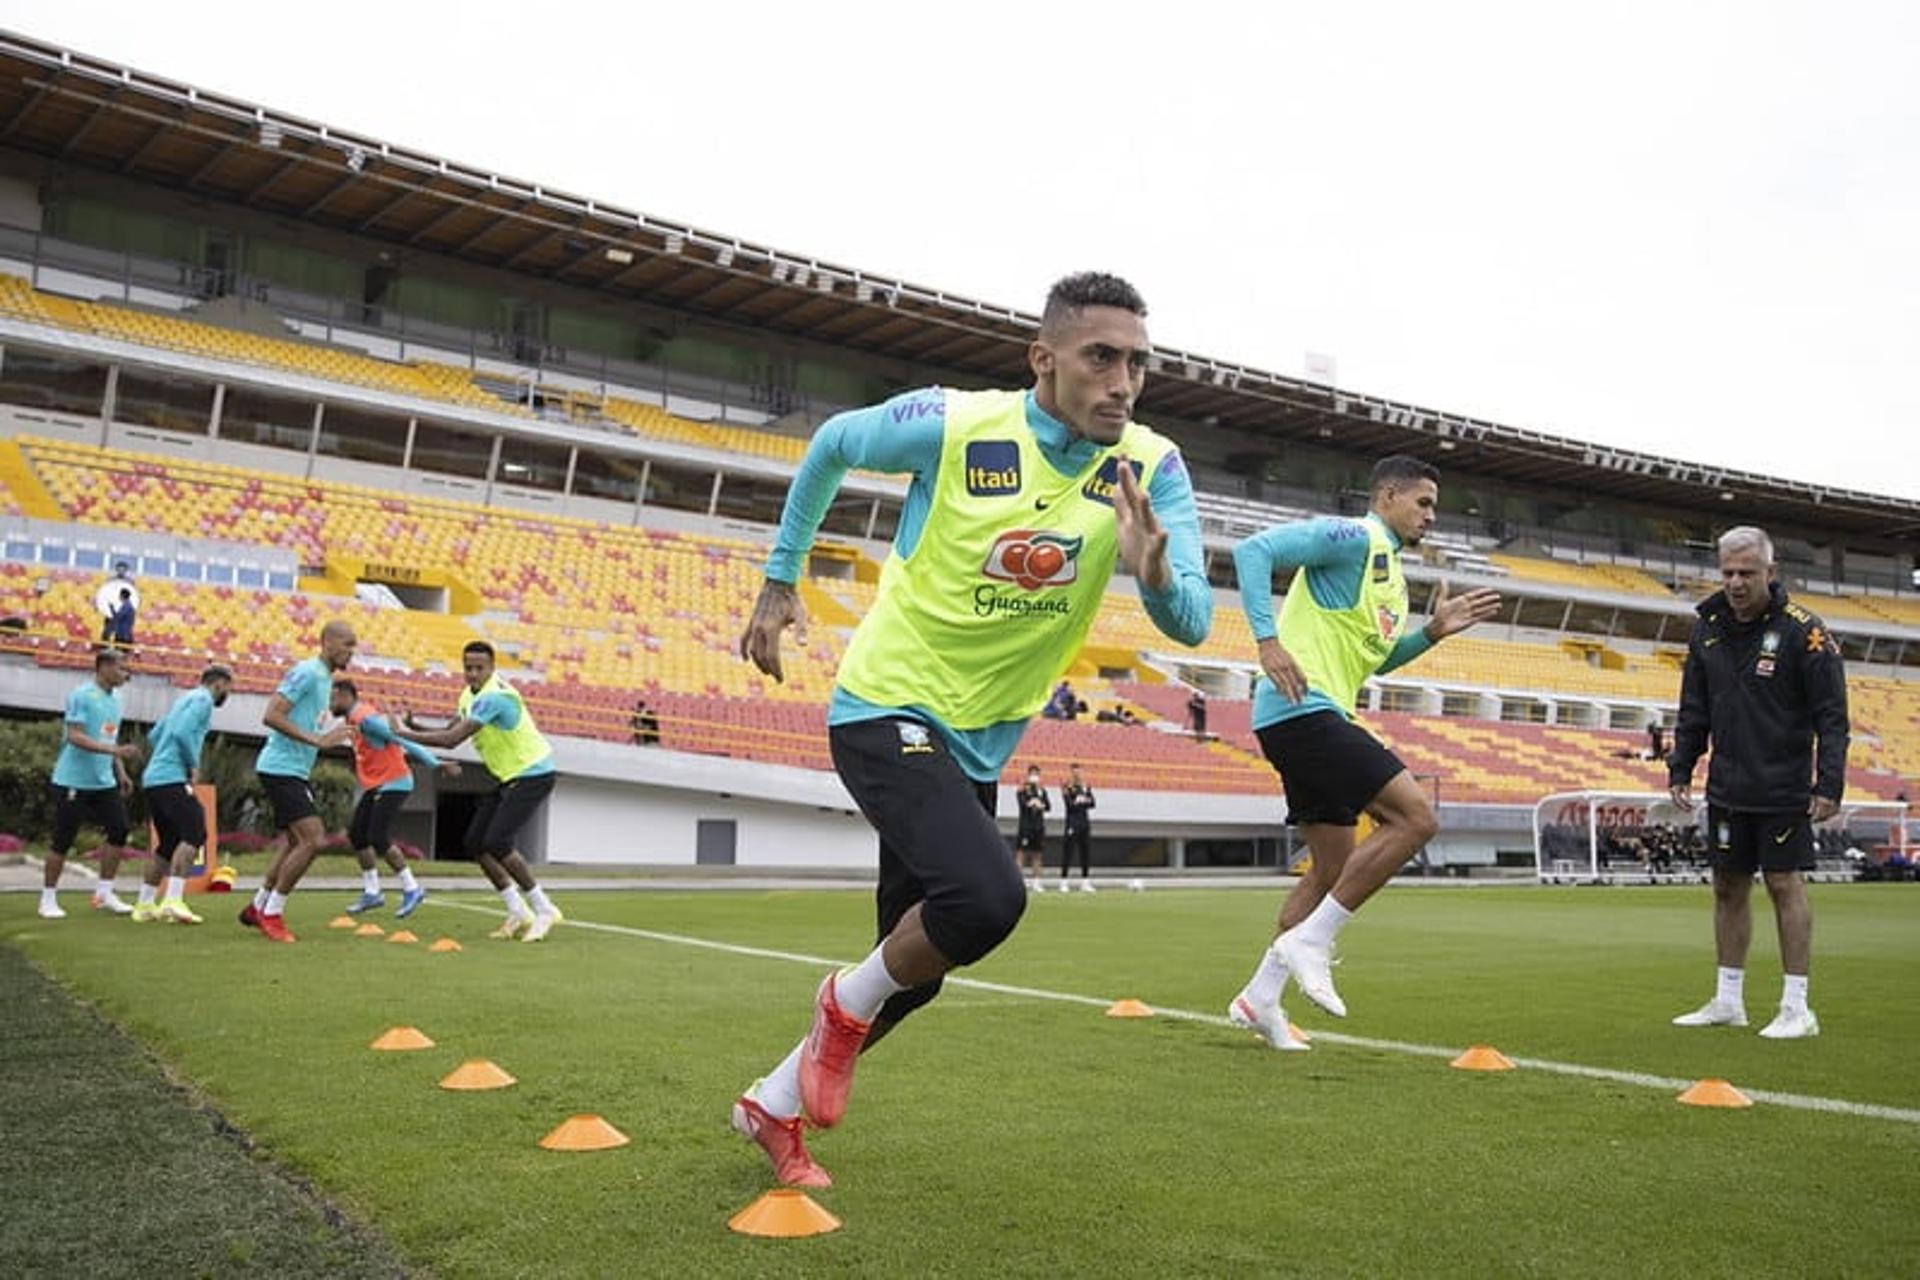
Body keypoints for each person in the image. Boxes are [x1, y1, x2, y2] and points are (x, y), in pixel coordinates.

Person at [730, 271, 1210, 1187]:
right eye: (1100, 358)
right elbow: (832, 443)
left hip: (979, 740)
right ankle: (836, 1008)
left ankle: (769, 1105)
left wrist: (1151, 574)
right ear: (1045, 359)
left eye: (1138, 364)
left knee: (916, 973)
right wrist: (780, 579)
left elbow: (1188, 622)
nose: (1123, 382)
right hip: (887, 704)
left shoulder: (1154, 466)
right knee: (988, 899)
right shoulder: (955, 424)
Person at [1226, 455, 1501, 1047]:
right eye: (1423, 502)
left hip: (1312, 713)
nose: (1431, 515)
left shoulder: (1391, 581)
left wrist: (1430, 634)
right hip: (1303, 710)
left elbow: (1374, 662)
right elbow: (1253, 551)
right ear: (1387, 496)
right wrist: (1268, 643)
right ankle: (1312, 941)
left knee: (1330, 864)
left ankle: (1260, 999)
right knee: (1416, 817)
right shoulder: (1355, 536)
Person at [1667, 526, 1849, 1040]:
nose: (1736, 582)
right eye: (1727, 571)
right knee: (1727, 888)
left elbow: (1832, 717)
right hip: (1727, 786)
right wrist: (1682, 767)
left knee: (1783, 884)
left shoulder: (1805, 632)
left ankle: (1797, 1007)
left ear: (1771, 573)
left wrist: (1828, 785)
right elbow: (1693, 709)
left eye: (1747, 572)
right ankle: (1728, 1000)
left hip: (1785, 785)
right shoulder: (1705, 630)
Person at [397, 642, 564, 942]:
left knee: (497, 841)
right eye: (468, 668)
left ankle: (543, 908)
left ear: (492, 667)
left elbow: (450, 741)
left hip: (533, 774)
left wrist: (403, 734)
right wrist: (415, 725)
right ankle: (517, 910)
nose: (473, 673)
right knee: (476, 842)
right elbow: (452, 729)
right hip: (509, 778)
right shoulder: (468, 696)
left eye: (479, 668)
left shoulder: (496, 697)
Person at [242, 622, 356, 943]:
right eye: (348, 644)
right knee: (314, 841)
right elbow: (272, 715)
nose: (352, 652)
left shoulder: (324, 678)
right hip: (281, 768)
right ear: (328, 642)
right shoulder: (306, 671)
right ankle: (273, 913)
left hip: (293, 770)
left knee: (295, 843)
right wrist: (318, 740)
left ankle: (258, 906)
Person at [331, 679, 453, 919]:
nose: (330, 703)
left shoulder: (366, 719)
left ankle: (412, 888)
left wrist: (434, 763)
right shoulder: (353, 720)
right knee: (357, 835)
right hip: (378, 784)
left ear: (346, 696)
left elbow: (403, 740)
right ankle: (372, 892)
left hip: (394, 782)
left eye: (333, 698)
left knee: (377, 837)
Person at [40, 648, 142, 919]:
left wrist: (120, 771)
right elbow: (74, 736)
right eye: (121, 668)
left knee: (119, 830)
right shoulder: (82, 695)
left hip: (103, 781)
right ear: (104, 667)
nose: (125, 674)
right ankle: (47, 898)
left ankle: (104, 892)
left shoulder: (117, 699)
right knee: (63, 838)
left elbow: (110, 737)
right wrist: (115, 753)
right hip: (73, 780)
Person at [133, 665, 234, 925]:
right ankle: (173, 900)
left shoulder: (185, 699)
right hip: (171, 778)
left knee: (167, 843)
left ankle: (144, 904)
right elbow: (181, 733)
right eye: (229, 687)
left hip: (154, 778)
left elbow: (157, 734)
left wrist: (165, 756)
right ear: (219, 684)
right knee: (195, 832)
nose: (229, 693)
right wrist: (192, 763)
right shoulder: (203, 701)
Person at [1060, 763, 1096, 892]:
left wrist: (1083, 800)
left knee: (1085, 852)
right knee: (1068, 852)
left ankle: (1085, 881)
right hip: (1072, 823)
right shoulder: (1067, 787)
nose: (1077, 774)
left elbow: (1092, 803)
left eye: (1079, 772)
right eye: (1075, 772)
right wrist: (1080, 801)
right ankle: (1064, 881)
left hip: (1084, 823)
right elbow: (1069, 804)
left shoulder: (1085, 787)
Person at [94, 561, 137, 642]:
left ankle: (124, 645)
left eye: (123, 569)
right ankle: (104, 644)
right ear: (116, 569)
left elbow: (133, 595)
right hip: (112, 606)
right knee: (108, 628)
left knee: (124, 629)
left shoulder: (130, 581)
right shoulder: (110, 580)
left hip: (123, 609)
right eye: (119, 568)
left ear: (126, 570)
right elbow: (104, 592)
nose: (121, 570)